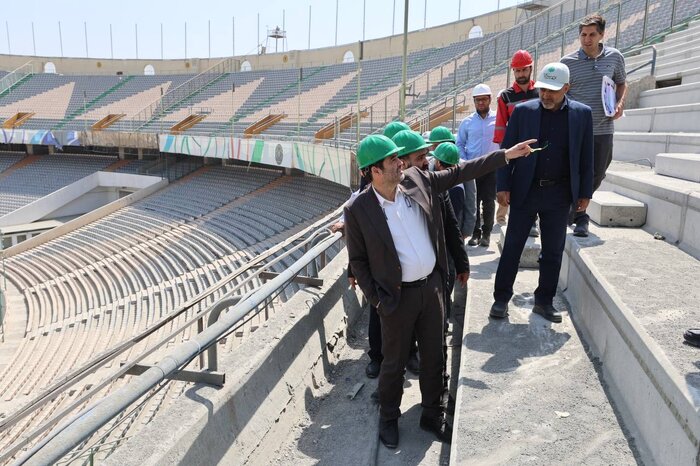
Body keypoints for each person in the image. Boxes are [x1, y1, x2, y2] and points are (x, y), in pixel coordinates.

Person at [345, 133, 534, 448]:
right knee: (393, 362)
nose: (400, 162)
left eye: (399, 157)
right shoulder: (358, 209)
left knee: (435, 355)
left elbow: (460, 172)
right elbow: (359, 261)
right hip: (397, 298)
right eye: (392, 160)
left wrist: (506, 155)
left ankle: (432, 413)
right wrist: (378, 300)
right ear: (374, 171)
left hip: (431, 289)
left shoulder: (417, 179)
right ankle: (389, 418)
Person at [490, 62, 593, 323]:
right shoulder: (523, 112)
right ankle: (501, 298)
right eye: (544, 89)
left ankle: (544, 301)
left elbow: (586, 156)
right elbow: (506, 151)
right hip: (526, 190)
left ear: (566, 88)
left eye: (553, 91)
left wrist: (585, 192)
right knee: (513, 246)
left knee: (553, 251)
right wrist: (503, 186)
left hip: (559, 194)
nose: (546, 95)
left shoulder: (582, 114)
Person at [561, 13, 627, 237]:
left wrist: (619, 103)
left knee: (598, 173)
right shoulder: (567, 63)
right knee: (575, 173)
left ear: (601, 35)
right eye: (583, 35)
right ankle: (581, 217)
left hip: (603, 127)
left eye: (591, 35)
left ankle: (574, 210)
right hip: (575, 129)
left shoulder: (615, 57)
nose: (586, 39)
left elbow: (621, 82)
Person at [493, 50, 541, 235]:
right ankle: (520, 221)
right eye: (517, 71)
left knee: (535, 184)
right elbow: (500, 129)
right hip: (514, 149)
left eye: (524, 70)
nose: (521, 74)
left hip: (536, 148)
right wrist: (505, 154)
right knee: (517, 186)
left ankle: (532, 221)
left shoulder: (540, 91)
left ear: (530, 69)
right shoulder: (505, 96)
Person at [457, 84, 500, 247]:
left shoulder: (498, 119)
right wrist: (464, 160)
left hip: (491, 167)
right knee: (473, 201)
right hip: (473, 167)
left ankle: (486, 233)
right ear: (474, 101)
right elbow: (459, 143)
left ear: (489, 99)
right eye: (477, 100)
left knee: (488, 201)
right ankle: (475, 233)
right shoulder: (467, 122)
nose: (481, 103)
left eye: (483, 99)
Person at [427, 126, 476, 240]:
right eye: (433, 146)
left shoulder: (464, 168)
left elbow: (470, 199)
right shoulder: (428, 166)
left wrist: (467, 228)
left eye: (437, 145)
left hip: (457, 224)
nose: (434, 149)